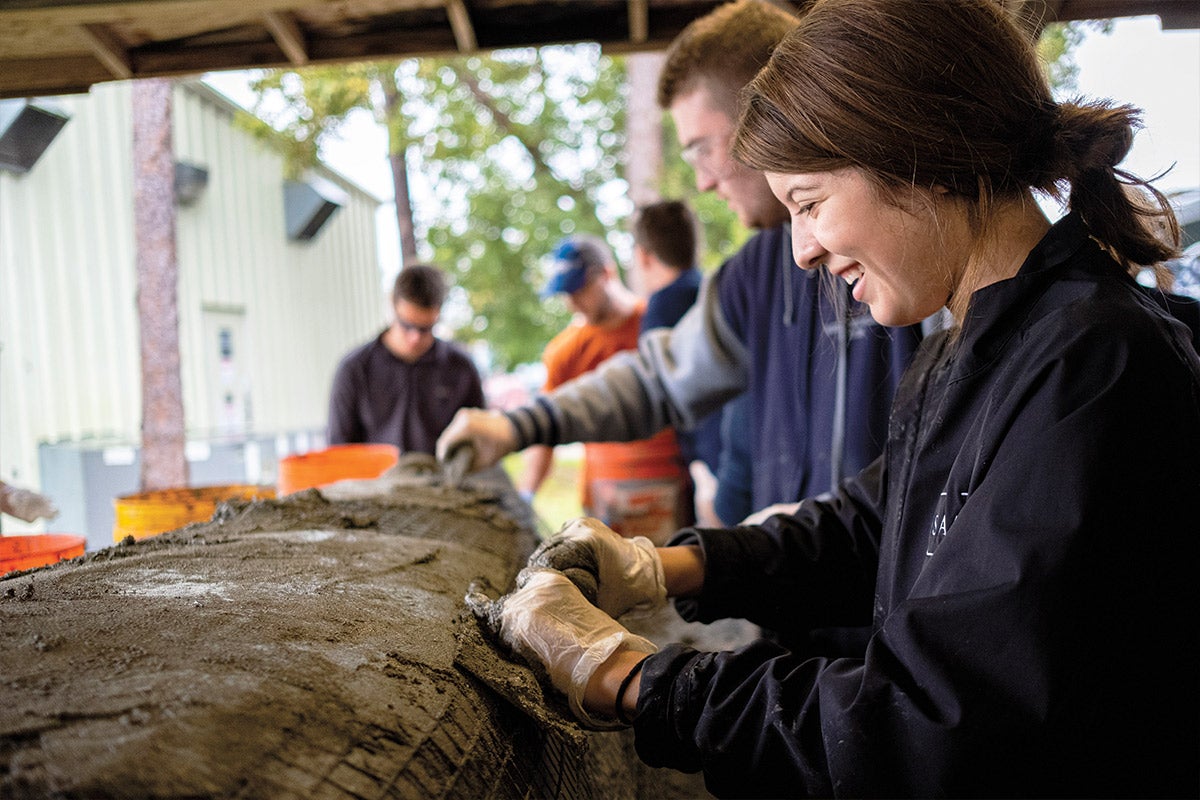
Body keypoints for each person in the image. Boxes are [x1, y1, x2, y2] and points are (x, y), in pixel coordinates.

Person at [468, 0, 1200, 795]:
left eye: (810, 204)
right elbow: (866, 528)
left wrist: (627, 674)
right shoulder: (961, 354)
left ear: (922, 154)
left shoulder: (1095, 368)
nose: (803, 250)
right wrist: (668, 566)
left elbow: (930, 725)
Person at [438, 0, 923, 523]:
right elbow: (659, 380)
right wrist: (519, 425)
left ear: (769, 117)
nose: (703, 182)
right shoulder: (752, 274)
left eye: (700, 149)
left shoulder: (911, 257)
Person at [521, 235, 689, 543]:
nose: (572, 302)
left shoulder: (657, 325)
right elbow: (544, 431)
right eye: (565, 293)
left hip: (671, 487)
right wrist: (526, 494)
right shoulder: (565, 352)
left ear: (607, 274)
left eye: (579, 289)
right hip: (604, 497)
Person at [631, 199, 750, 526]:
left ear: (643, 255)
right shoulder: (716, 291)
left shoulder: (660, 309)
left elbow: (663, 394)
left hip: (712, 464)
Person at [328, 263, 483, 455]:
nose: (415, 338)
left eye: (425, 329)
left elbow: (478, 440)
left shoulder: (461, 368)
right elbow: (340, 450)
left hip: (444, 481)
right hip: (375, 482)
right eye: (407, 325)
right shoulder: (354, 369)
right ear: (392, 305)